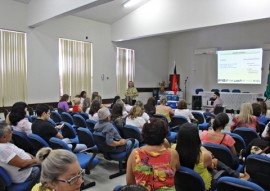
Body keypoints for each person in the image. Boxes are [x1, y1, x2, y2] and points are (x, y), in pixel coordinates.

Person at [175, 123, 242, 191]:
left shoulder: (173, 150)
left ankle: (235, 174)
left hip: (182, 184)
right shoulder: (204, 156)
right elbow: (212, 166)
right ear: (196, 138)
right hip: (202, 186)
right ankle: (235, 174)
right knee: (215, 161)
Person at [126, 118, 180, 190]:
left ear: (144, 134)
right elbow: (178, 175)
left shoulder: (135, 154)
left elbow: (130, 183)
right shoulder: (173, 153)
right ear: (164, 135)